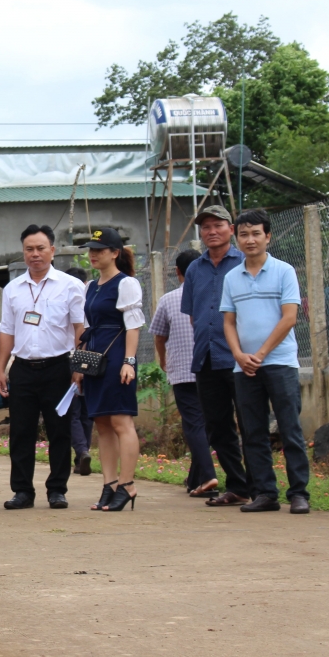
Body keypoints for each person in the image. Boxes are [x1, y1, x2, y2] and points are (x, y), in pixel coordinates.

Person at [221, 211, 310, 514]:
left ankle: (299, 493)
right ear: (237, 238)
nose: (250, 240)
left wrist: (260, 354)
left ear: (268, 236)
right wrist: (239, 355)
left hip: (280, 363)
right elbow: (229, 323)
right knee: (253, 432)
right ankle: (264, 493)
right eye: (244, 235)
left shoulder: (284, 272)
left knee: (290, 429)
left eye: (256, 233)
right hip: (243, 367)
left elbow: (289, 318)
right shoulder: (232, 277)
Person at [0, 225, 85, 510]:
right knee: (21, 432)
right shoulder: (13, 290)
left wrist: (79, 365)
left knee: (59, 430)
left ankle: (57, 489)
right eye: (29, 249)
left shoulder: (70, 286)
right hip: (22, 368)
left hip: (58, 367)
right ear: (23, 252)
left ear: (52, 251)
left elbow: (80, 328)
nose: (35, 254)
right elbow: (7, 332)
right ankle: (22, 491)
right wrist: (0, 369)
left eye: (41, 248)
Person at [181, 205, 254, 508]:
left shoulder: (244, 264)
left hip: (239, 358)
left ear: (231, 229)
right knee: (218, 426)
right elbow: (193, 316)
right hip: (206, 358)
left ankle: (261, 486)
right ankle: (237, 486)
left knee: (251, 424)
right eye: (206, 227)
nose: (211, 231)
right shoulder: (195, 269)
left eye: (218, 225)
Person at [80, 228, 145, 512]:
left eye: (100, 249)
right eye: (91, 249)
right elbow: (85, 326)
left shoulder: (126, 283)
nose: (94, 254)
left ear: (115, 253)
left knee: (121, 422)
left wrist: (129, 362)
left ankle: (128, 485)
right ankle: (109, 484)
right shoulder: (91, 286)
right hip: (95, 358)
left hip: (117, 358)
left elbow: (133, 326)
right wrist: (81, 362)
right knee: (102, 424)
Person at [149, 249, 216, 497]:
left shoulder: (168, 299)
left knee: (194, 425)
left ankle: (207, 476)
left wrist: (164, 359)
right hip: (211, 367)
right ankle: (195, 478)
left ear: (177, 272)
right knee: (208, 424)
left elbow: (159, 335)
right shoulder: (211, 295)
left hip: (182, 370)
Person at [65, 266, 94, 475]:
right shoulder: (93, 301)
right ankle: (82, 454)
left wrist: (76, 364)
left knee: (72, 411)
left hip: (72, 356)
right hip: (92, 357)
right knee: (86, 410)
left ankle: (82, 451)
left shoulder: (68, 299)